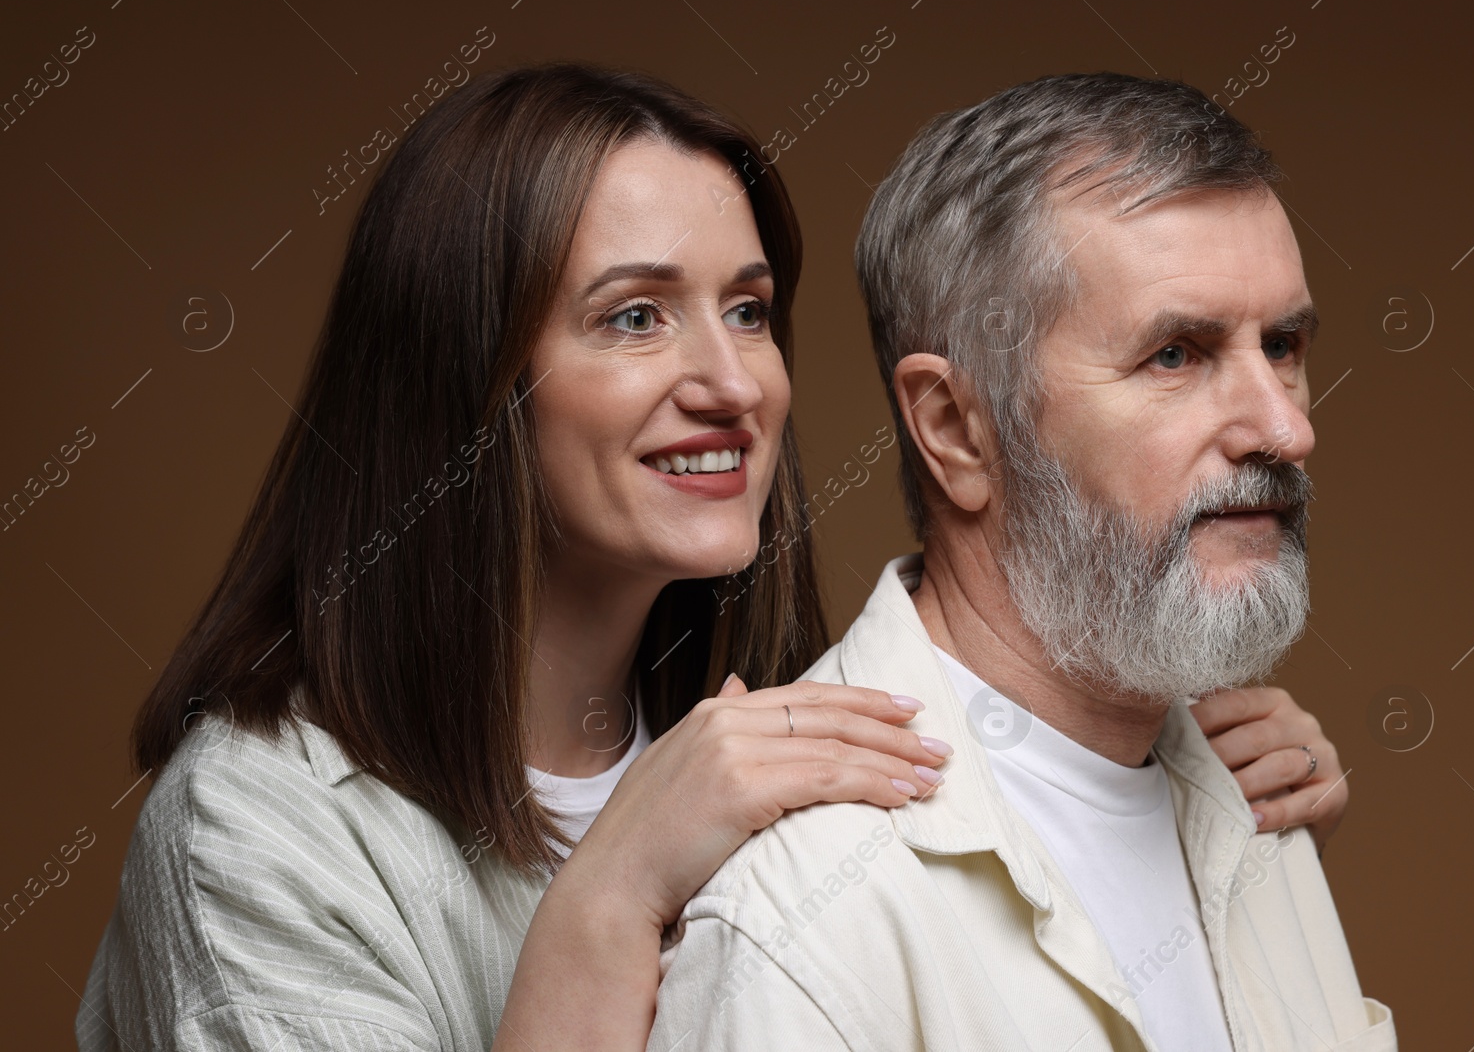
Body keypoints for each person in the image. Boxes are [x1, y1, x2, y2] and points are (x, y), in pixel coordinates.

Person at [76, 65, 1350, 1051]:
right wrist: (610, 894)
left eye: (747, 308)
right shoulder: (254, 830)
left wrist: (1167, 774)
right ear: (462, 384)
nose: (733, 380)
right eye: (634, 316)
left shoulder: (770, 731)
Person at [647, 72, 1396, 1051]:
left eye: (1283, 342)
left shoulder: (1261, 808)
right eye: (1175, 353)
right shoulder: (801, 917)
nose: (1284, 425)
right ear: (957, 429)